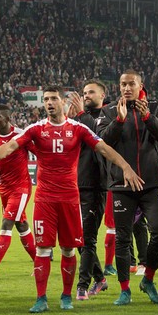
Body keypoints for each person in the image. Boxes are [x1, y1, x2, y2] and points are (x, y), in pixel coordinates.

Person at [0, 85, 144, 313]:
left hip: (70, 198)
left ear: (63, 102)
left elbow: (104, 148)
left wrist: (126, 167)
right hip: (44, 199)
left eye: (53, 99)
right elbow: (9, 147)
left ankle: (66, 296)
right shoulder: (36, 129)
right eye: (46, 99)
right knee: (43, 249)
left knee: (69, 250)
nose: (49, 103)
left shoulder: (77, 129)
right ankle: (41, 298)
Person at [96, 70, 158, 306]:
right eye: (122, 84)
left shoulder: (156, 106)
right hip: (121, 184)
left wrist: (147, 115)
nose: (126, 88)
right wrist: (118, 121)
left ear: (141, 85)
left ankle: (148, 279)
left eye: (131, 84)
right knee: (123, 238)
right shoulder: (109, 110)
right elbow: (101, 141)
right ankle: (124, 289)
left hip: (150, 184)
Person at [0, 105, 37, 280]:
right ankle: (40, 262)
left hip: (21, 187)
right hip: (3, 188)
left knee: (6, 223)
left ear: (7, 118)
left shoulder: (21, 135)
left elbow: (39, 152)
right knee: (21, 226)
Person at [67, 80, 112, 300]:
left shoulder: (107, 116)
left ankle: (82, 285)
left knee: (88, 238)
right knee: (77, 238)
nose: (86, 95)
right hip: (75, 185)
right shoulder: (80, 118)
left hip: (95, 185)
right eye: (84, 92)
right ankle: (100, 279)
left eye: (91, 92)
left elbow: (99, 138)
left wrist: (80, 116)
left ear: (102, 95)